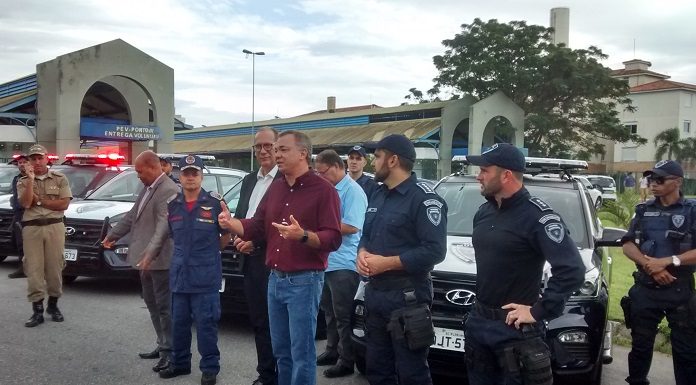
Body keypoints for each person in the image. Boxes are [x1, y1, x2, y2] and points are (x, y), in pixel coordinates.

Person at [218, 130, 342, 385]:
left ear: (303, 153)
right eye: (276, 150)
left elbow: (333, 238)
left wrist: (303, 235)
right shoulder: (275, 188)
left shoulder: (324, 190)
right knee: (281, 351)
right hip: (275, 279)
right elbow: (257, 226)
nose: (276, 154)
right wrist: (231, 223)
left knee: (301, 352)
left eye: (283, 149)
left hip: (304, 281)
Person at [464, 143, 585, 385]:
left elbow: (572, 270)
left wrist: (538, 310)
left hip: (514, 331)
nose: (479, 175)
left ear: (506, 175)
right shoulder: (484, 212)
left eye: (485, 170)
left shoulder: (538, 217)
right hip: (479, 324)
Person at [356, 134, 447, 385]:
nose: (373, 163)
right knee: (377, 369)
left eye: (377, 157)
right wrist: (362, 253)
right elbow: (367, 235)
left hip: (407, 297)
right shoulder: (378, 194)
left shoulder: (425, 199)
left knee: (412, 373)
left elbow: (435, 250)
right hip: (376, 295)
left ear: (393, 160)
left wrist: (386, 263)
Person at [102, 150, 179, 373]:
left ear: (153, 167)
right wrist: (112, 235)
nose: (137, 176)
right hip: (145, 260)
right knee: (152, 303)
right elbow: (131, 216)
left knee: (164, 307)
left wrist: (150, 255)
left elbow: (163, 229)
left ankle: (169, 351)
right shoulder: (147, 189)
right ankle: (161, 343)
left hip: (159, 260)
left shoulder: (168, 190)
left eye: (139, 171)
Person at [621, 160, 696, 385]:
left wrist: (668, 261)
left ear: (678, 182)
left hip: (679, 289)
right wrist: (650, 267)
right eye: (651, 179)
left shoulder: (691, 211)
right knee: (640, 347)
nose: (653, 183)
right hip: (646, 288)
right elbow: (627, 244)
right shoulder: (643, 210)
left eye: (660, 179)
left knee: (686, 351)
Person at [158, 155, 231, 385]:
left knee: (206, 324)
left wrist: (207, 254)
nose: (190, 177)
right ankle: (180, 363)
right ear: (179, 175)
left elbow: (225, 237)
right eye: (186, 173)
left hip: (205, 276)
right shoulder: (172, 204)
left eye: (195, 173)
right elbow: (173, 236)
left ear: (201, 175)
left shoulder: (215, 202)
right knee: (178, 322)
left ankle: (210, 368)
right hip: (180, 275)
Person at [314, 149, 367, 378]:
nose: (321, 176)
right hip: (327, 261)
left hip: (344, 263)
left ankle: (347, 360)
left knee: (344, 315)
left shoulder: (353, 191)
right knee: (329, 311)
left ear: (337, 167)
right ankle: (332, 350)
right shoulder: (327, 189)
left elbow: (352, 226)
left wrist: (321, 228)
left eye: (323, 172)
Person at [233, 126, 280, 385]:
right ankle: (266, 375)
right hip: (249, 260)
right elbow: (243, 213)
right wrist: (238, 235)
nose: (262, 151)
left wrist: (254, 241)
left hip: (272, 260)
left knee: (277, 325)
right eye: (258, 146)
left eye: (268, 145)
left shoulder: (285, 180)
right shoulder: (250, 180)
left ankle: (280, 375)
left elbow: (282, 224)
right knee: (259, 320)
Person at [17, 144, 72, 327]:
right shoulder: (23, 181)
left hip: (55, 227)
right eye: (33, 159)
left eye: (40, 158)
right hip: (32, 228)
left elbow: (63, 204)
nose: (37, 161)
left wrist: (39, 201)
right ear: (29, 161)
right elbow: (26, 203)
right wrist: (31, 180)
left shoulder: (60, 178)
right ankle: (37, 310)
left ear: (47, 158)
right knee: (34, 270)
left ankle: (53, 305)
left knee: (54, 268)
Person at [8, 154, 28, 279]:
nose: (21, 164)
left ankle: (25, 268)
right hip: (18, 214)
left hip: (27, 214)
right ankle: (23, 266)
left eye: (24, 162)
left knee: (25, 243)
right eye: (19, 162)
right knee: (17, 242)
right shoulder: (17, 178)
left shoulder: (31, 178)